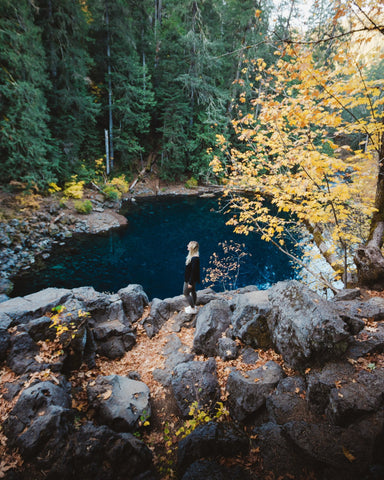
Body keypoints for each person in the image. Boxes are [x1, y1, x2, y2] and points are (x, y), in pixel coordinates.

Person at [183, 240, 200, 314]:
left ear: (192, 247)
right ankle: (194, 305)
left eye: (189, 245)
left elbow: (193, 272)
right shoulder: (194, 256)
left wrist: (190, 282)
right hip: (192, 279)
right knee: (193, 291)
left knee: (186, 293)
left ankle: (193, 308)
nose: (187, 246)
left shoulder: (194, 258)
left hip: (190, 280)